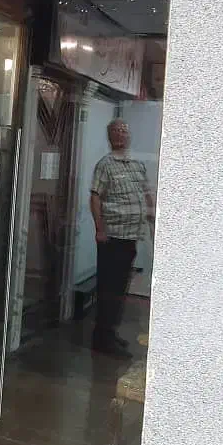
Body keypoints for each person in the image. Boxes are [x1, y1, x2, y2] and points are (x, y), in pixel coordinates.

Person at [89, 118, 154, 358]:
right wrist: (99, 229)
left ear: (129, 136)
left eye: (124, 130)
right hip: (112, 238)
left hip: (131, 237)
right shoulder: (104, 165)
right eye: (116, 131)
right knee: (109, 289)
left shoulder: (137, 164)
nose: (120, 134)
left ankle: (111, 332)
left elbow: (146, 193)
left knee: (120, 289)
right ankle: (102, 338)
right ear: (110, 136)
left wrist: (152, 215)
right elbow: (95, 197)